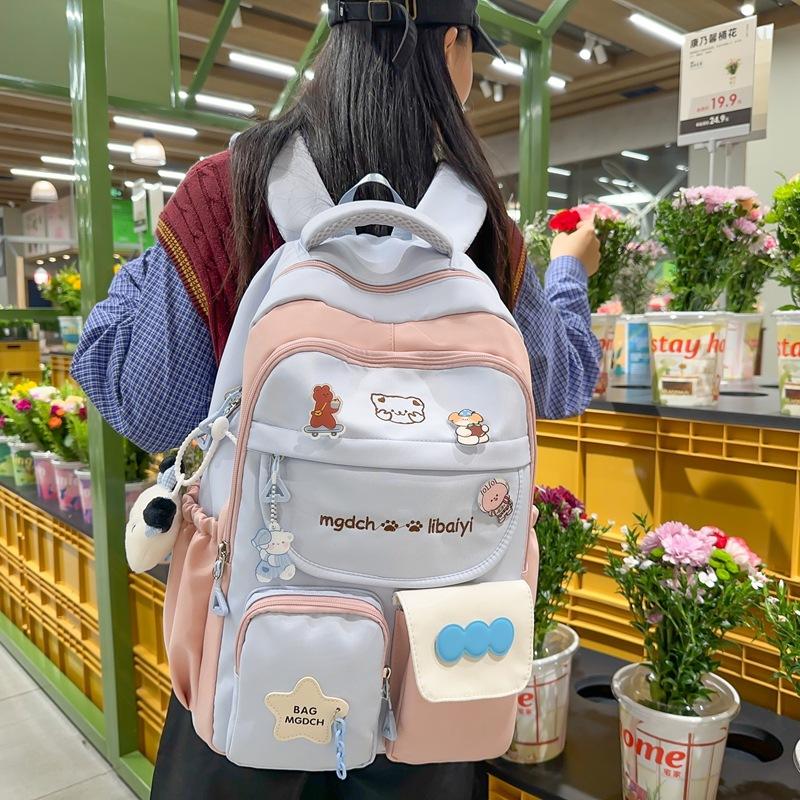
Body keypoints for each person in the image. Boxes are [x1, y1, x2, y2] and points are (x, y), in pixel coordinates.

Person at [72, 2, 600, 797]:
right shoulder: (476, 222)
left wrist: (148, 267)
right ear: (452, 46)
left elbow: (145, 402)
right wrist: (567, 272)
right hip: (432, 668)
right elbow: (563, 381)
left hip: (254, 658)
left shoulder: (231, 189)